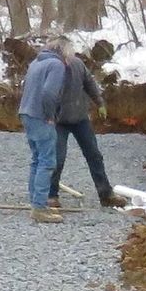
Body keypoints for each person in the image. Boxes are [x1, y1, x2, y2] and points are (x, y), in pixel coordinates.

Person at [53, 42, 114, 207]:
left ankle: (106, 194)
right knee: (57, 158)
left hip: (80, 118)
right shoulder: (52, 69)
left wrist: (99, 103)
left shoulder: (78, 64)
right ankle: (51, 195)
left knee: (94, 154)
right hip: (58, 121)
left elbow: (89, 84)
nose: (69, 57)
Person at [17, 41, 66, 223]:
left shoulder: (36, 63)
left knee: (36, 159)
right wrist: (50, 115)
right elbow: (49, 93)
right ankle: (39, 208)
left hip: (25, 112)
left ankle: (35, 202)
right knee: (47, 161)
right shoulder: (56, 65)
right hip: (40, 116)